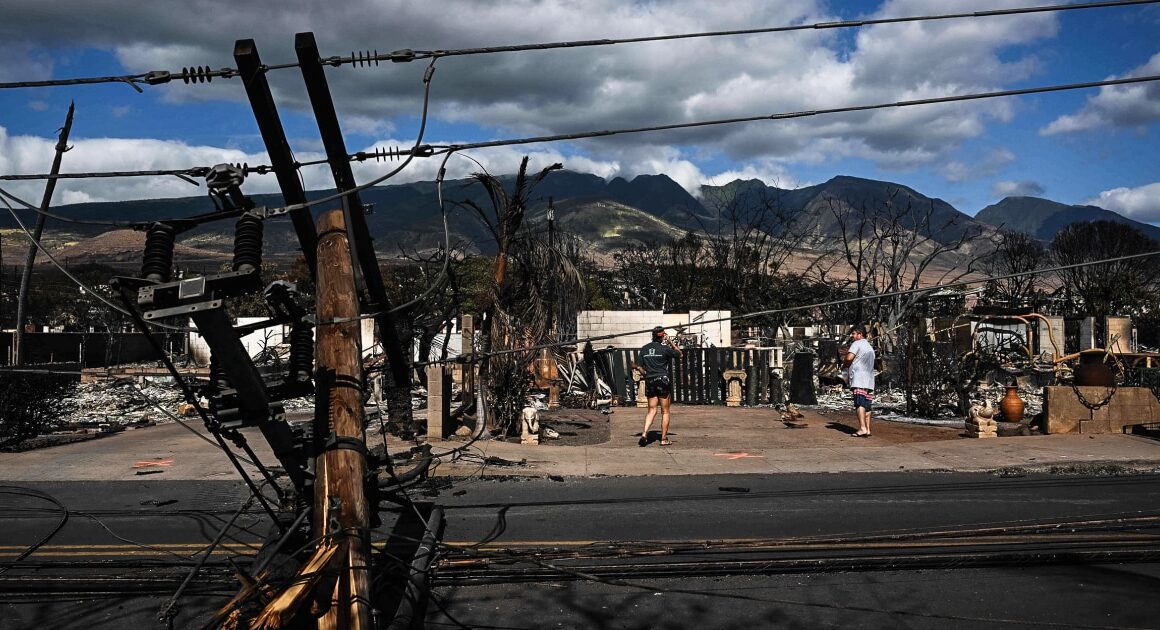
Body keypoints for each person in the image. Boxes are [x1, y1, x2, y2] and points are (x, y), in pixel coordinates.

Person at [633, 326, 682, 446]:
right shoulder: (664, 349)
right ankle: (664, 439)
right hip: (662, 380)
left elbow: (639, 367)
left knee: (651, 410)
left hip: (650, 380)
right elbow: (679, 354)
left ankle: (644, 433)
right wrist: (670, 341)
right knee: (665, 411)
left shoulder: (644, 349)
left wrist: (646, 372)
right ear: (662, 336)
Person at [842, 324, 876, 437]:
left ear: (860, 334)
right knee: (867, 405)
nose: (852, 336)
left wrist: (844, 366)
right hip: (870, 380)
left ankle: (862, 428)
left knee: (859, 404)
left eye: (854, 334)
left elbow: (849, 358)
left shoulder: (857, 344)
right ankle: (867, 428)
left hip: (859, 379)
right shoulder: (869, 347)